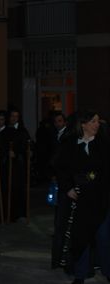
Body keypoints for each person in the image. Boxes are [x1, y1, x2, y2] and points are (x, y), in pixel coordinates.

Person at [52, 111, 110, 283]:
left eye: (98, 121)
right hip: (78, 200)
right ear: (83, 124)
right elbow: (60, 168)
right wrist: (68, 187)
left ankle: (107, 270)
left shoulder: (103, 144)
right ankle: (80, 274)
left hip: (100, 199)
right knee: (80, 237)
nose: (97, 124)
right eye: (93, 121)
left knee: (104, 237)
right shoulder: (70, 144)